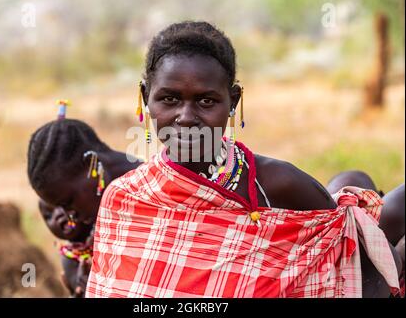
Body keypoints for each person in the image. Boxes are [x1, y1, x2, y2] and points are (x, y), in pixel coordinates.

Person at [86, 21, 400, 298]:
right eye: (169, 99)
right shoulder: (124, 200)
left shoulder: (277, 184)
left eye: (206, 101)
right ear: (145, 97)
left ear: (233, 101)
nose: (185, 118)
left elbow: (345, 256)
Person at [28, 111, 142, 297]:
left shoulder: (155, 195)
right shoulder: (97, 214)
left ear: (91, 165)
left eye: (68, 202)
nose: (70, 216)